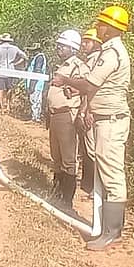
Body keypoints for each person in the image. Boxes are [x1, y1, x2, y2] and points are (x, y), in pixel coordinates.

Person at [51, 6, 132, 252]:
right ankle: (108, 229)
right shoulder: (109, 51)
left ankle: (112, 232)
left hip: (111, 121)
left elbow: (89, 84)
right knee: (105, 171)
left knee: (112, 175)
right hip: (103, 120)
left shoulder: (112, 53)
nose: (98, 28)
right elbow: (92, 86)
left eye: (101, 24)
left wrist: (65, 80)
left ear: (111, 28)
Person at [45, 29, 85, 210]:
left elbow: (86, 88)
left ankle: (66, 201)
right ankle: (56, 193)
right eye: (58, 45)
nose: (59, 48)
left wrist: (71, 89)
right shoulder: (61, 66)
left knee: (68, 159)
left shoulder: (78, 66)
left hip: (67, 115)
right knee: (56, 157)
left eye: (63, 46)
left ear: (72, 48)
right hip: (55, 115)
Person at [77, 27, 103, 194]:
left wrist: (86, 111)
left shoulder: (96, 61)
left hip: (91, 110)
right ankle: (91, 185)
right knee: (88, 149)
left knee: (92, 150)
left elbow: (91, 89)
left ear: (96, 44)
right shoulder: (93, 60)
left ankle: (97, 189)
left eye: (87, 42)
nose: (83, 45)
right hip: (89, 108)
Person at [0, 33, 27, 113]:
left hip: (0, 71)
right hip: (10, 71)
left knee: (0, 90)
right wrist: (15, 63)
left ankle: (2, 108)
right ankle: (8, 106)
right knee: (9, 88)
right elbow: (24, 56)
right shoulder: (15, 48)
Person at [24, 43, 48, 123]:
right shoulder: (37, 57)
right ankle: (34, 117)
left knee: (35, 100)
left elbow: (37, 71)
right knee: (34, 100)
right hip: (35, 83)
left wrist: (32, 85)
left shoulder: (39, 58)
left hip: (37, 83)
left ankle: (35, 118)